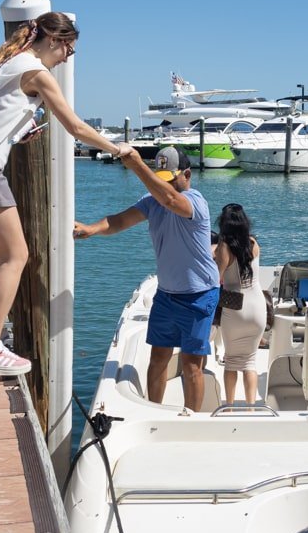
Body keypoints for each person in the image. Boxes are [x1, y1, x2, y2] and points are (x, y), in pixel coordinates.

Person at [0, 11, 134, 378]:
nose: (66, 59)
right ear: (56, 41)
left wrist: (14, 131)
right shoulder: (36, 72)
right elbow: (76, 126)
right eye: (70, 51)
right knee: (16, 255)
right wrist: (116, 149)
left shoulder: (5, 64)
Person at [73, 146, 219, 411]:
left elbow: (172, 201)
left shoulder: (195, 200)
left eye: (170, 180)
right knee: (158, 357)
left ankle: (193, 419)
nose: (164, 187)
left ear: (186, 174)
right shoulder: (152, 202)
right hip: (166, 294)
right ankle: (155, 410)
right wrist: (92, 228)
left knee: (191, 365)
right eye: (160, 179)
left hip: (199, 295)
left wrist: (138, 166)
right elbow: (119, 221)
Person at [214, 203, 265, 405]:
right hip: (258, 308)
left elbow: (216, 278)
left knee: (232, 362)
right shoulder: (253, 243)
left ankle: (229, 407)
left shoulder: (224, 247)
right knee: (250, 362)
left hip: (236, 309)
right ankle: (251, 408)